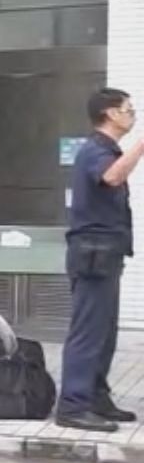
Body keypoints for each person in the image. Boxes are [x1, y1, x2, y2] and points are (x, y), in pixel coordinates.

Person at [55, 88, 143, 433]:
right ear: (110, 114)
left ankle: (96, 397)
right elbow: (111, 177)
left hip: (106, 252)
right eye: (128, 109)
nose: (132, 114)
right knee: (88, 332)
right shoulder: (94, 150)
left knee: (104, 332)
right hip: (93, 253)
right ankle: (73, 405)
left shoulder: (106, 149)